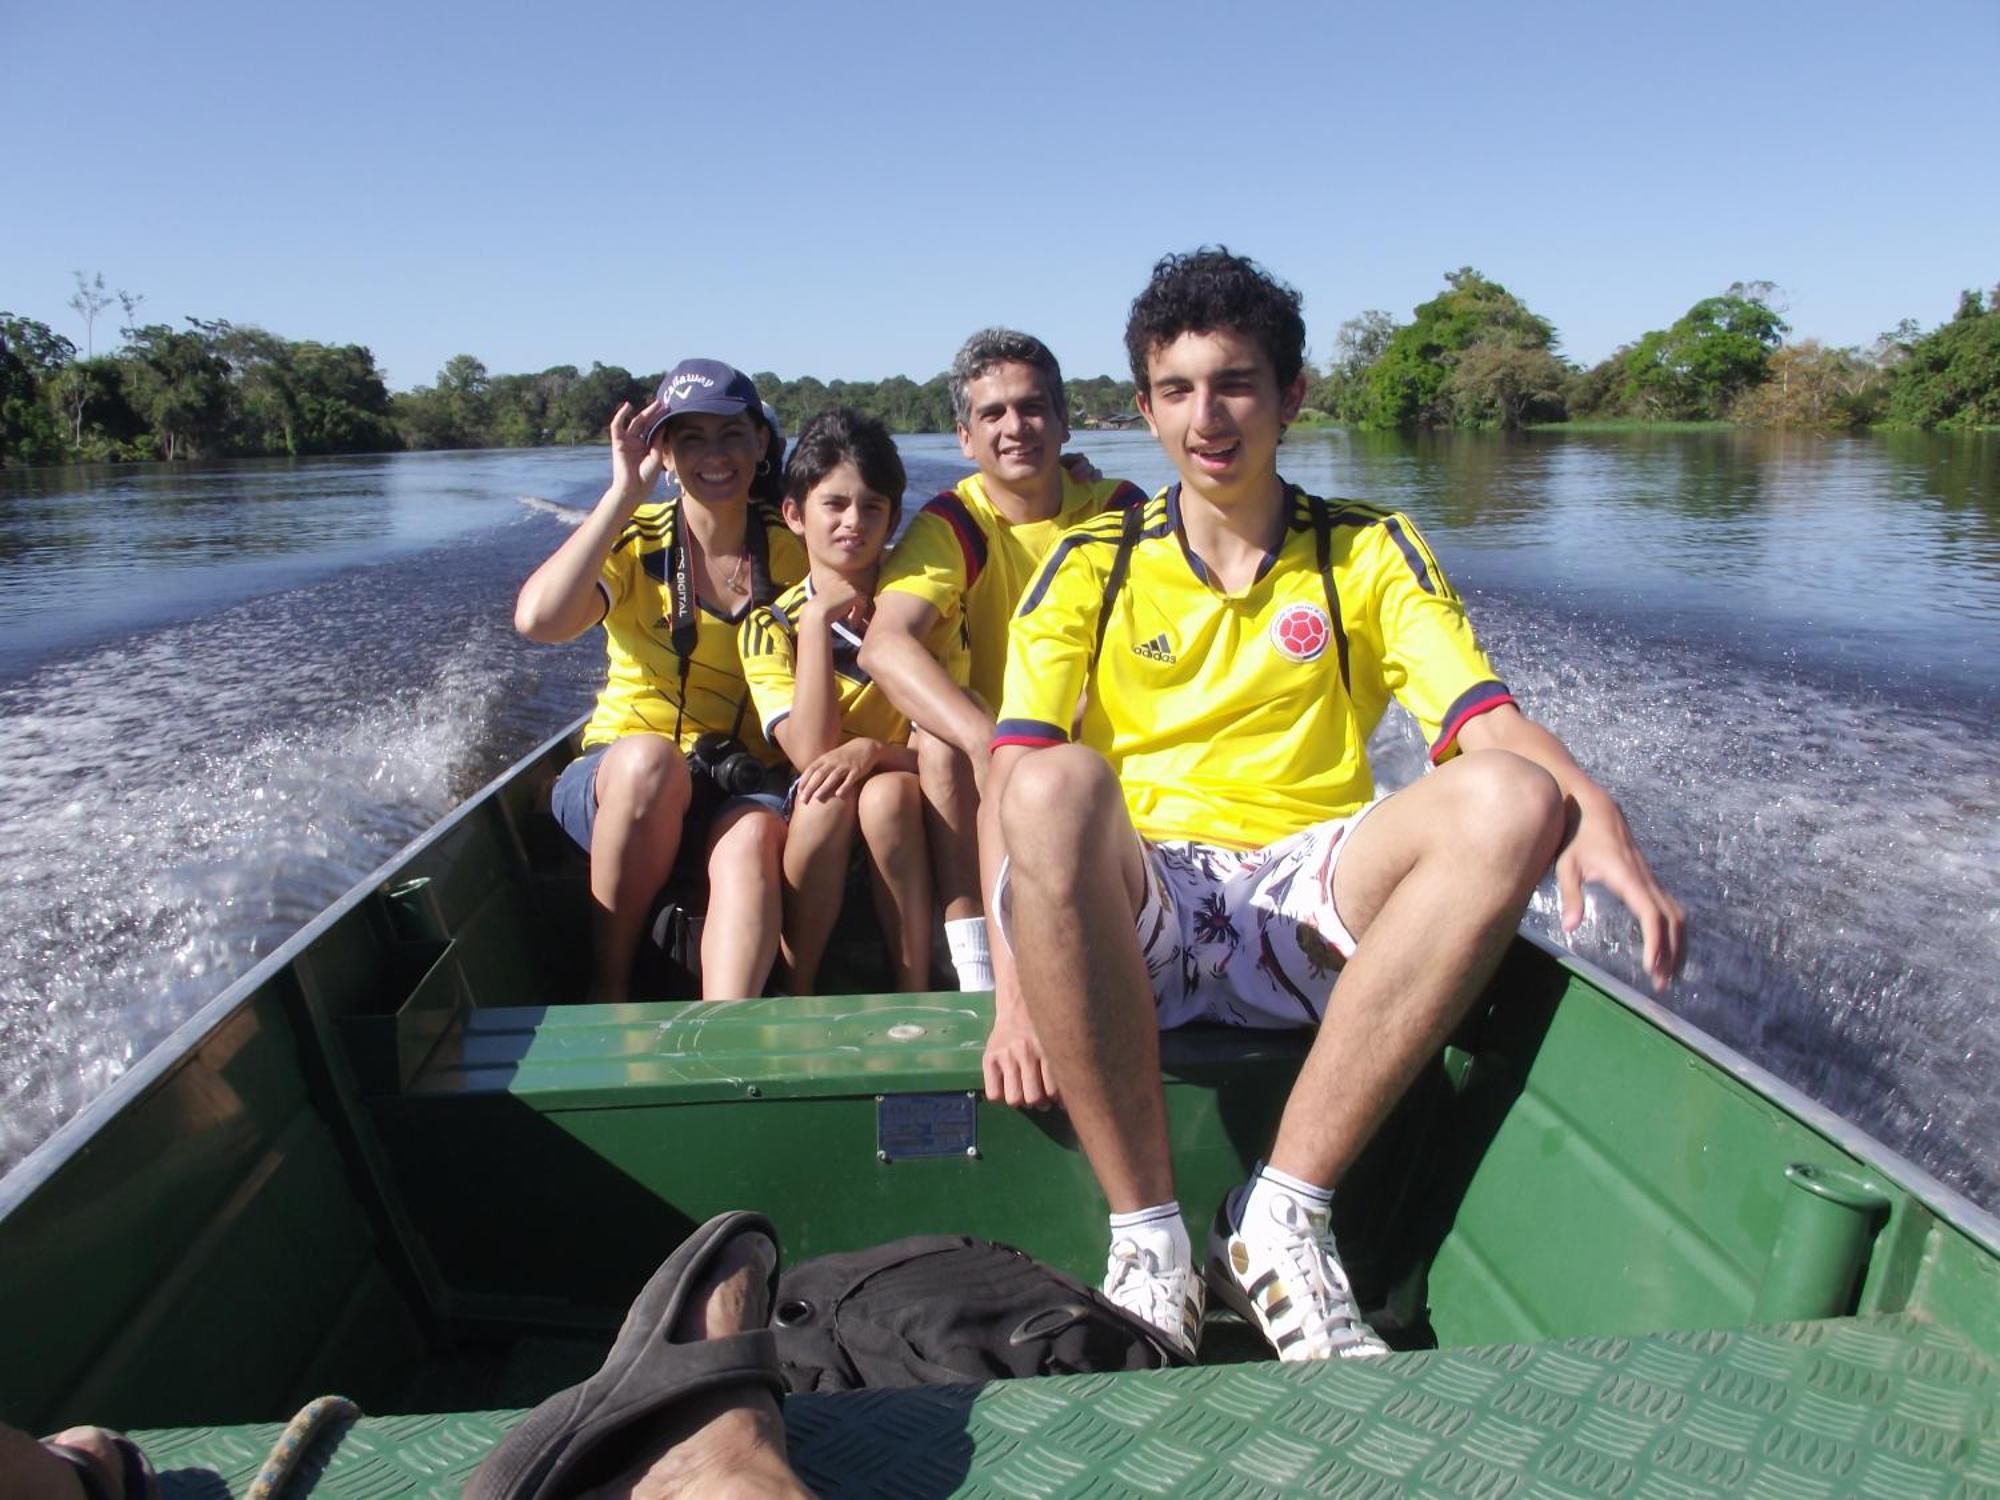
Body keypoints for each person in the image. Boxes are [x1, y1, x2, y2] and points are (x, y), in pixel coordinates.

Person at [987, 248, 1687, 1362]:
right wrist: (1010, 985)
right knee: (1054, 776)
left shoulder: (1363, 551)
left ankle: (1278, 1218)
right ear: (1143, 409)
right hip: (1148, 899)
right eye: (1177, 390)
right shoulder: (1086, 562)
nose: (1206, 418)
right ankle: (1151, 1240)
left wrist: (1589, 803)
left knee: (1511, 799)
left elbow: (1483, 722)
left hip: (1307, 895)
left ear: (1291, 395)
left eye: (1235, 384)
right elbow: (1008, 785)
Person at [857, 329, 1143, 1085]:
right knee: (959, 745)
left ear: (1063, 422)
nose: (1014, 427)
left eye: (1032, 408)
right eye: (992, 415)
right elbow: (885, 645)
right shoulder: (954, 525)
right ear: (964, 437)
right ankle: (985, 974)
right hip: (997, 760)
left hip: (1100, 746)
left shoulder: (1118, 509)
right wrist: (992, 740)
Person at [516, 360, 804, 1003]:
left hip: (742, 785)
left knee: (756, 833)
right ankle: (611, 987)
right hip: (621, 781)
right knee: (650, 762)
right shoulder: (634, 541)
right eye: (691, 439)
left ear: (760, 443)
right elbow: (538, 620)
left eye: (731, 434)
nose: (715, 455)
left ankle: (725, 1033)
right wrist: (624, 492)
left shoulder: (796, 549)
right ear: (665, 453)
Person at [741, 408, 945, 993]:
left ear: (894, 518)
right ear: (794, 515)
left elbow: (946, 745)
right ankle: (797, 984)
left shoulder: (926, 612)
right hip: (813, 815)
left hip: (910, 798)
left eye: (872, 507)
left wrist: (873, 752)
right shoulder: (768, 626)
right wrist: (814, 625)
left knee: (885, 794)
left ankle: (916, 991)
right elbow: (809, 754)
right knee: (826, 794)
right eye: (834, 504)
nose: (853, 521)